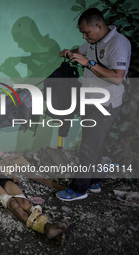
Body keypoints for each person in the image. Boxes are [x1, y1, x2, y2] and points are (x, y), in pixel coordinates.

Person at [56, 8, 131, 201]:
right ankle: (94, 181)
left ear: (99, 26)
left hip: (106, 103)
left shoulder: (118, 43)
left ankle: (78, 189)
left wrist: (88, 63)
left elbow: (117, 78)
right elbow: (79, 52)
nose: (84, 36)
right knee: (93, 143)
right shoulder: (93, 40)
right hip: (91, 98)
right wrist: (69, 53)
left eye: (86, 32)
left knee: (88, 147)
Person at [0, 152, 69, 244]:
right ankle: (45, 228)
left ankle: (49, 227)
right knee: (13, 204)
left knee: (24, 202)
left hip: (1, 177)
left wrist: (12, 176)